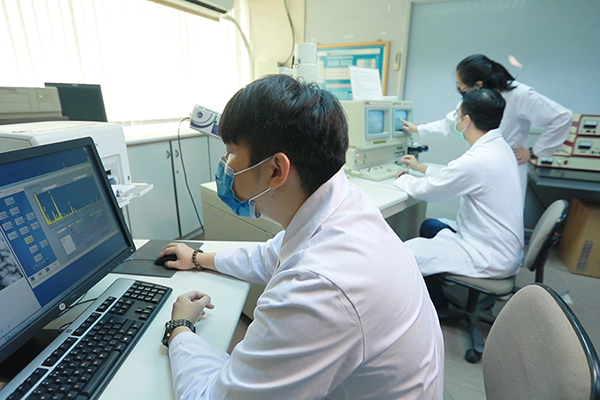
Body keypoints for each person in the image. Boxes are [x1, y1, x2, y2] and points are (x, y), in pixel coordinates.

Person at [158, 74, 444, 399]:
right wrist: (197, 258)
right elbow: (273, 254)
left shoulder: (317, 286)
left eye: (231, 151)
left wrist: (180, 329)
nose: (225, 163)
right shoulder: (345, 203)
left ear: (276, 170)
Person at [393, 89, 524, 309]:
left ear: (466, 121)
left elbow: (429, 190)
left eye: (457, 114)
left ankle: (438, 306)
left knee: (406, 253)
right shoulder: (499, 147)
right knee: (431, 226)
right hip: (498, 243)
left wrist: (403, 178)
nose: (455, 119)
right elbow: (456, 176)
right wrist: (421, 168)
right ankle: (437, 288)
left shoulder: (478, 160)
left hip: (488, 254)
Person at [401, 54, 572, 198]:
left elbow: (562, 117)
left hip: (505, 167)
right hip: (485, 163)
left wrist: (534, 152)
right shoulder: (476, 97)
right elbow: (452, 123)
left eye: (460, 85)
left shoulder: (520, 95)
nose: (459, 89)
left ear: (478, 84)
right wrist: (417, 128)